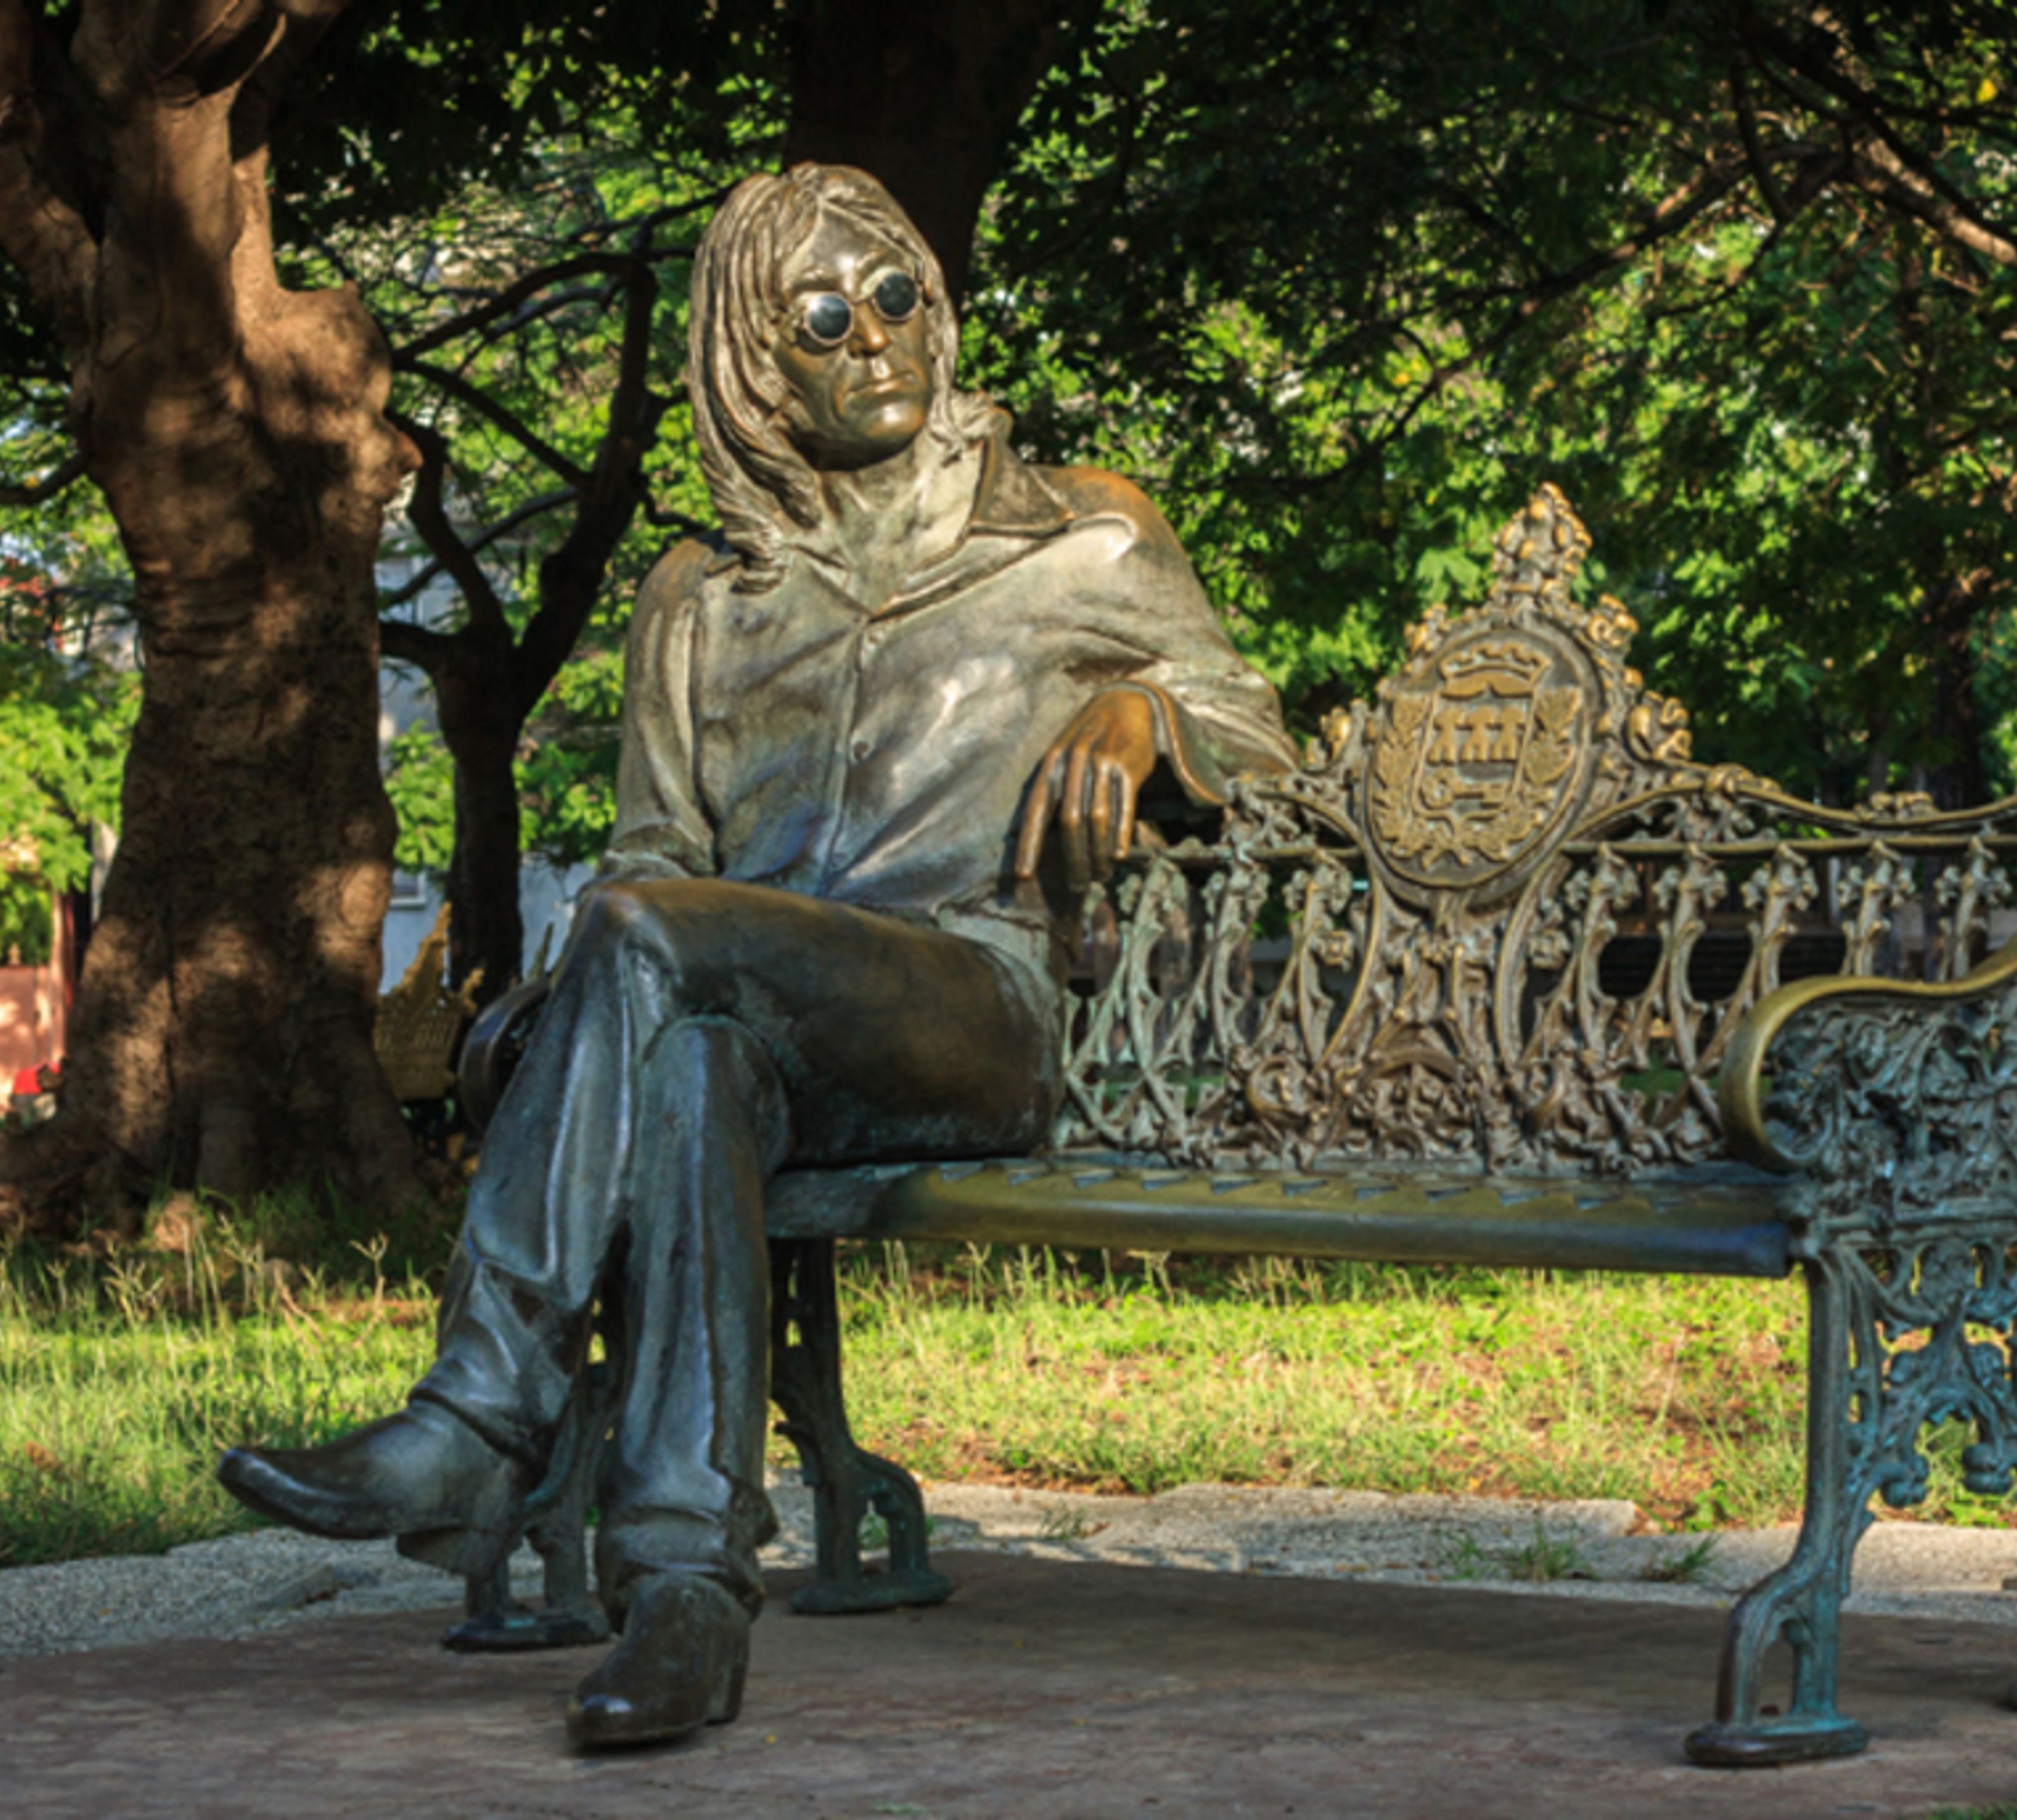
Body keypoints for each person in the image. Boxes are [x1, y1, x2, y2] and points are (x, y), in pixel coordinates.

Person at [219, 164, 1295, 1750]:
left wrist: (1159, 719)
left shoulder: (1091, 535)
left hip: (971, 1004)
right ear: (750, 364)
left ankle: (476, 1412)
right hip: (743, 1022)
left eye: (897, 295)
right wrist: (645, 968)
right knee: (695, 1061)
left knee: (651, 947)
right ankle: (686, 1594)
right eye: (818, 317)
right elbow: (658, 856)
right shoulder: (697, 604)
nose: (873, 338)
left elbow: (1275, 752)